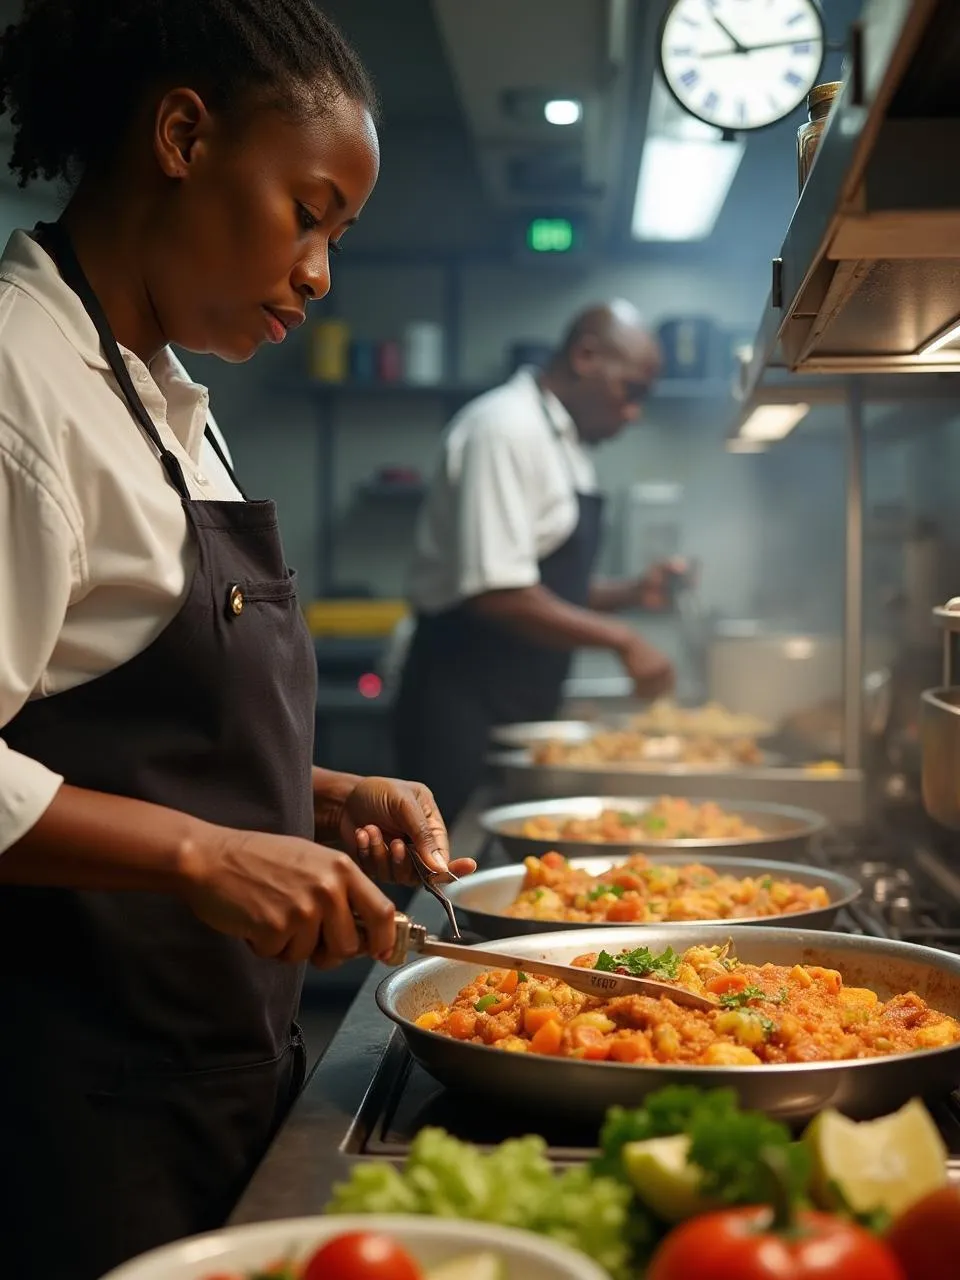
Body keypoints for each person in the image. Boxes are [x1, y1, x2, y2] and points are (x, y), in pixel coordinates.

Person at [0, 5, 474, 1278]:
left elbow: (103, 720)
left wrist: (308, 799)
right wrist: (208, 851)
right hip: (75, 1112)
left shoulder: (162, 398)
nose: (321, 270)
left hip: (204, 1078)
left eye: (338, 233)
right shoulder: (18, 382)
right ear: (183, 134)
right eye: (308, 210)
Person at [393, 302, 678, 825]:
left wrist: (633, 591)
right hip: (463, 705)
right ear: (586, 355)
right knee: (442, 870)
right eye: (630, 392)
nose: (634, 413)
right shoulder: (505, 429)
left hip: (521, 703)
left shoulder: (565, 443)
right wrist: (624, 639)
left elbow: (546, 582)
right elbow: (498, 592)